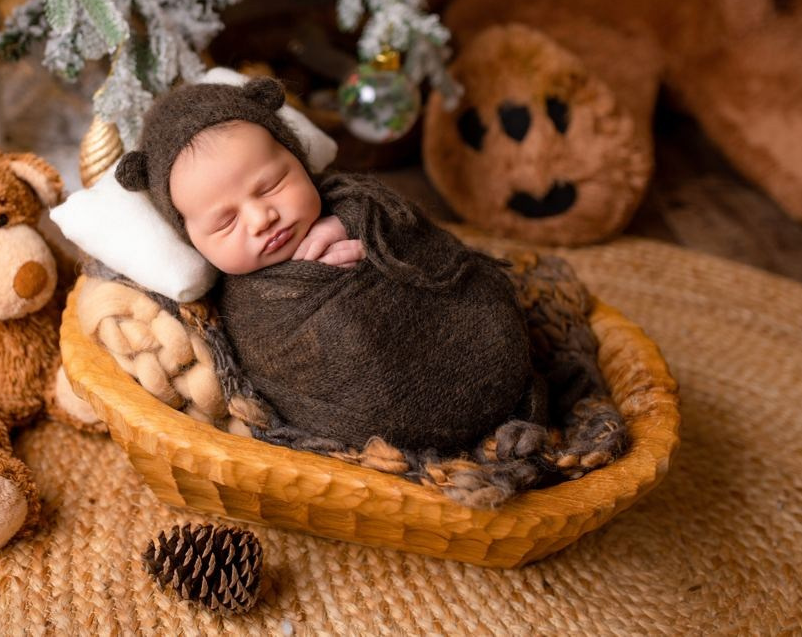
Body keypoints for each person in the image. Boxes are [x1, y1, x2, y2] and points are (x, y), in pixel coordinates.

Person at [116, 78, 544, 457]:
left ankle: (513, 397)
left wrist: (357, 225)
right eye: (225, 222)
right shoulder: (237, 304)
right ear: (191, 238)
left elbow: (421, 238)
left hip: (476, 346)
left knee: (480, 304)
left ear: (298, 161)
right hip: (376, 416)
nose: (261, 218)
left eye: (272, 185)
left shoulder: (353, 201)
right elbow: (269, 367)